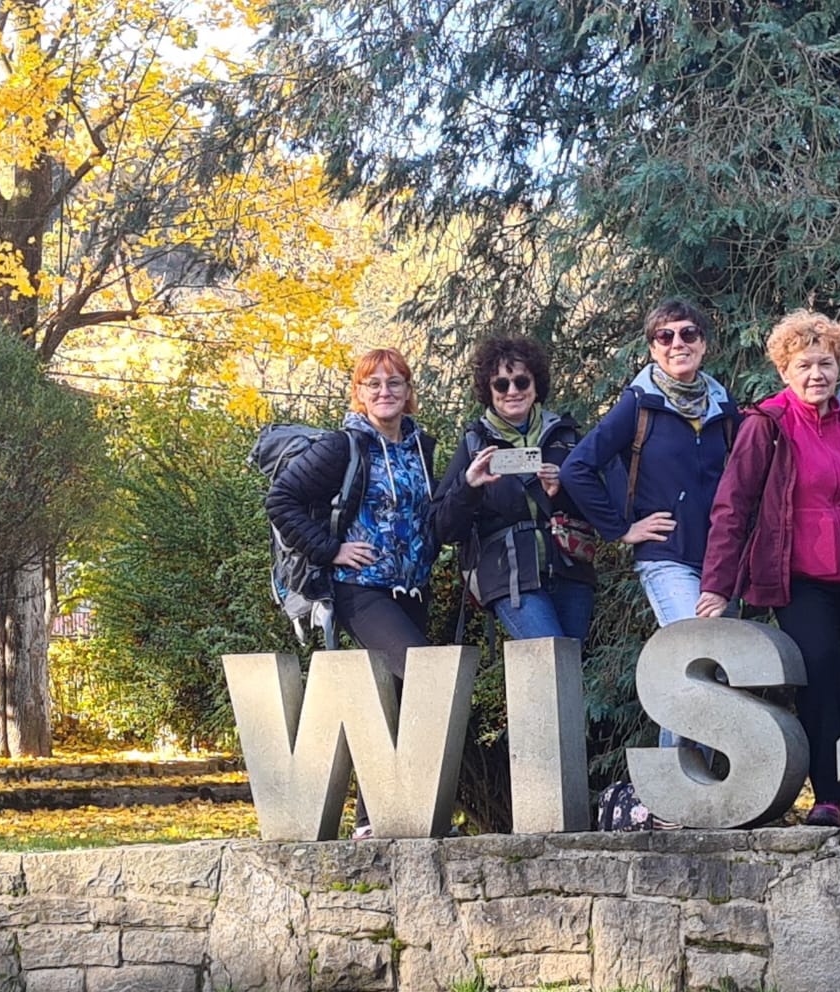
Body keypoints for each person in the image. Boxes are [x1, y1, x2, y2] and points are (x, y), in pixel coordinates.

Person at [699, 310, 840, 827]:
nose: (816, 374)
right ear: (784, 372)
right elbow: (733, 507)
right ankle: (830, 796)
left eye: (825, 363)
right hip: (799, 579)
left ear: (839, 367)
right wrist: (717, 586)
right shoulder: (766, 425)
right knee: (821, 671)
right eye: (804, 365)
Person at [265, 347, 439, 838]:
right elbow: (281, 500)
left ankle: (377, 818)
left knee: (397, 692)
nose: (385, 392)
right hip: (359, 588)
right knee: (425, 673)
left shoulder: (420, 447)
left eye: (395, 383)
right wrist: (331, 550)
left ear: (409, 392)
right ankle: (376, 815)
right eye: (373, 384)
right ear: (359, 393)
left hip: (413, 588)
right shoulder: (342, 447)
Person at [561, 299, 738, 747]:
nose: (678, 343)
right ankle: (675, 781)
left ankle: (687, 781)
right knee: (695, 654)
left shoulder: (723, 405)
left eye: (688, 334)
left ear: (703, 343)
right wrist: (621, 529)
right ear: (653, 348)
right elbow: (577, 468)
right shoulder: (638, 404)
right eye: (665, 336)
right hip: (667, 557)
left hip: (719, 560)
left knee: (711, 670)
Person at [434, 336, 597, 642]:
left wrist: (561, 490)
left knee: (571, 665)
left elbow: (598, 507)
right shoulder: (474, 443)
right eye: (501, 384)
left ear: (536, 385)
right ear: (488, 390)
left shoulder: (566, 436)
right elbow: (444, 528)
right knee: (548, 655)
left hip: (570, 571)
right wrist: (469, 486)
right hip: (507, 576)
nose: (512, 391)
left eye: (521, 381)